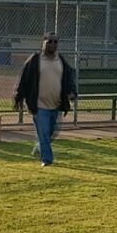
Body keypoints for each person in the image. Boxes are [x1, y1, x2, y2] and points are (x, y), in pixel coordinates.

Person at [14, 32, 77, 167]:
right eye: (49, 41)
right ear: (43, 43)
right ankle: (46, 159)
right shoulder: (35, 60)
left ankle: (39, 147)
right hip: (39, 105)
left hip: (56, 104)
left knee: (51, 133)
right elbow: (23, 79)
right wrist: (18, 97)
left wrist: (72, 92)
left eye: (55, 42)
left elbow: (69, 79)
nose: (52, 44)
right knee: (43, 133)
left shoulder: (61, 61)